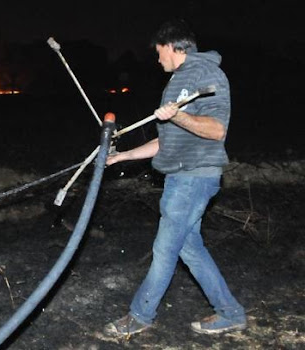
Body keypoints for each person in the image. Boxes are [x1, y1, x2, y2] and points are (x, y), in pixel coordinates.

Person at [103, 19, 247, 336]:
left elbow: (216, 130)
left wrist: (179, 114)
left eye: (158, 53)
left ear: (172, 46)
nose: (157, 60)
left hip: (194, 177)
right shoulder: (180, 80)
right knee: (189, 249)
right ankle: (231, 312)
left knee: (165, 248)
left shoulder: (207, 74)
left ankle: (139, 316)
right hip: (181, 178)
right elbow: (166, 142)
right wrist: (123, 156)